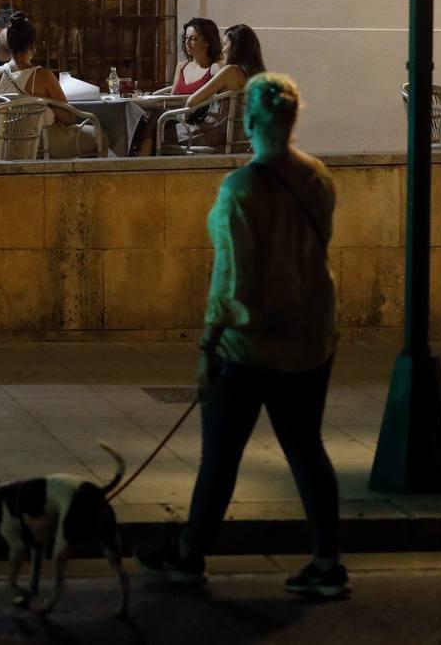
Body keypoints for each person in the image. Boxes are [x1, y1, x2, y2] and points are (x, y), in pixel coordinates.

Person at [136, 73, 347, 598]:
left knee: (221, 456)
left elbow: (230, 278)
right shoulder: (319, 179)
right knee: (307, 450)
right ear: (293, 119)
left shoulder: (240, 190)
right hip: (310, 336)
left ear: (249, 120)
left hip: (248, 344)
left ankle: (189, 554)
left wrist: (209, 346)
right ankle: (326, 560)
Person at [0, 13, 106, 158]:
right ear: (32, 46)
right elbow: (68, 119)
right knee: (100, 136)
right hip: (39, 142)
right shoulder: (42, 76)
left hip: (3, 144)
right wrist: (47, 105)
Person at [133, 23, 266, 156]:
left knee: (156, 122)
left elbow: (191, 102)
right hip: (241, 138)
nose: (224, 50)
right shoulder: (259, 78)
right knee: (159, 121)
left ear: (236, 46)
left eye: (226, 44)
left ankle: (138, 167)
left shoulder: (230, 71)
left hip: (212, 134)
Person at [156, 18, 224, 96]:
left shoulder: (214, 67)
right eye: (186, 38)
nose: (187, 42)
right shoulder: (181, 66)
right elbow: (172, 97)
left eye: (193, 38)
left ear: (207, 42)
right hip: (176, 108)